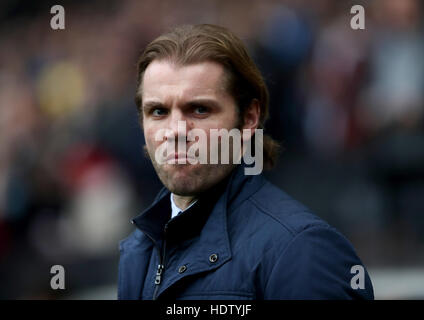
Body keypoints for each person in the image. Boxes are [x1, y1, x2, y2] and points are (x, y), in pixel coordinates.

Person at [118, 24, 374, 300]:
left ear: (249, 118)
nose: (176, 131)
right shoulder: (138, 251)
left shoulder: (302, 249)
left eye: (200, 109)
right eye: (158, 111)